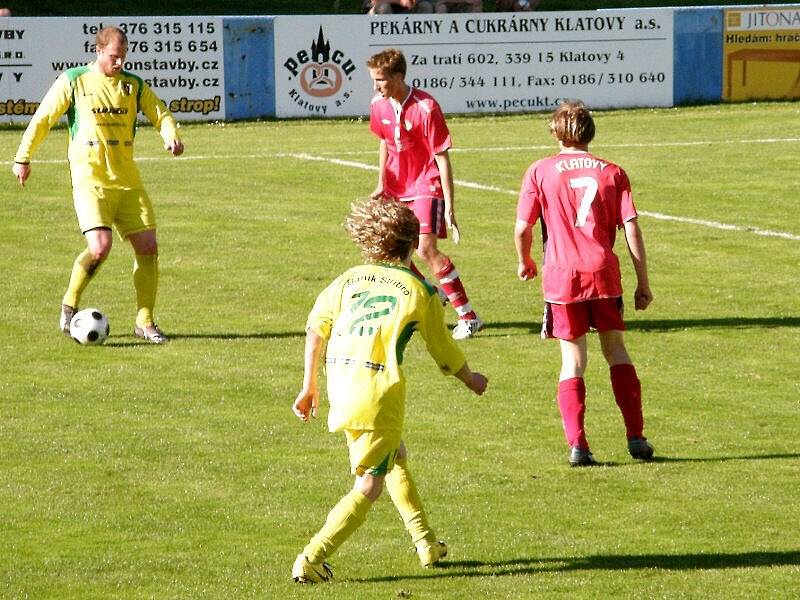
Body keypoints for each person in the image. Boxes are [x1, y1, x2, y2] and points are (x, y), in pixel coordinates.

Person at [291, 196, 488, 584]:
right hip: (379, 393)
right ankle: (312, 558)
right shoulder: (421, 290)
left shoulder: (347, 279)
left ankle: (426, 542)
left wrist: (308, 385)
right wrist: (470, 378)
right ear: (413, 244)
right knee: (369, 484)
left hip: (342, 384)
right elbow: (442, 348)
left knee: (393, 456)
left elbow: (316, 329)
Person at [12, 26, 184, 344]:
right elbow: (43, 118)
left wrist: (171, 136)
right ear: (98, 51)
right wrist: (23, 157)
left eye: (123, 57)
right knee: (100, 248)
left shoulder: (133, 86)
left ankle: (145, 321)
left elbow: (160, 114)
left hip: (128, 183)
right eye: (113, 57)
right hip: (90, 181)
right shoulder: (74, 80)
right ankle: (69, 303)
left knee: (148, 247)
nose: (119, 63)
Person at [514, 100, 654, 466]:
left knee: (573, 361)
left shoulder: (540, 171)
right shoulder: (612, 172)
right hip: (604, 272)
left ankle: (578, 445)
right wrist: (643, 282)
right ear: (590, 132)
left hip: (563, 277)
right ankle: (636, 437)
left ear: (556, 132)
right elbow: (632, 228)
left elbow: (523, 227)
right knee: (617, 352)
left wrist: (525, 260)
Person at [366, 48, 483, 340]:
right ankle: (433, 293)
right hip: (396, 186)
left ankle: (468, 317)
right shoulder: (378, 104)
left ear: (398, 76)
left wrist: (451, 207)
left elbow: (442, 158)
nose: (376, 86)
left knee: (425, 249)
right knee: (393, 251)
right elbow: (383, 142)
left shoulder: (426, 107)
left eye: (380, 80)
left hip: (425, 184)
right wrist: (382, 182)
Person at [363, 0, 434, 13]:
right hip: (376, 13)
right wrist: (400, 2)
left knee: (426, 6)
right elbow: (375, 1)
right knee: (384, 8)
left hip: (405, 11)